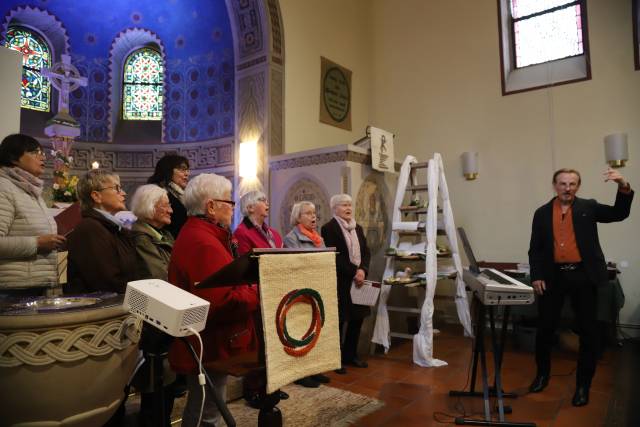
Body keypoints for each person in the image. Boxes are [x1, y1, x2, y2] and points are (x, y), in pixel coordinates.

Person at [528, 168, 633, 407]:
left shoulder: (589, 207)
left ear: (578, 186)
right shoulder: (542, 213)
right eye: (563, 183)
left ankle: (583, 386)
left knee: (588, 333)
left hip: (584, 277)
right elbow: (535, 248)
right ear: (555, 185)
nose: (568, 188)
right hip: (553, 278)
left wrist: (623, 185)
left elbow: (619, 213)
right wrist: (536, 275)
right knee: (545, 329)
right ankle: (542, 375)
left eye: (572, 184)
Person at [168, 173, 259, 427]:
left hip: (210, 339)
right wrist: (256, 293)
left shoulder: (202, 234)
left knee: (207, 405)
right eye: (229, 202)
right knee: (206, 412)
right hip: (210, 341)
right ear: (211, 206)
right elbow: (220, 302)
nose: (232, 208)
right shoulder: (204, 242)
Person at [129, 184, 176, 426]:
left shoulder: (163, 235)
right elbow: (160, 276)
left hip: (168, 314)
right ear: (150, 207)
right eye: (165, 204)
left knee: (166, 387)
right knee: (156, 388)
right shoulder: (141, 237)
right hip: (154, 319)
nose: (170, 209)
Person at [0, 134, 65, 296]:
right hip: (13, 289)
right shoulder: (4, 188)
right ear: (14, 158)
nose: (42, 157)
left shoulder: (30, 191)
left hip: (36, 284)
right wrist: (37, 243)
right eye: (35, 152)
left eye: (42, 152)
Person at [283, 201, 331, 387]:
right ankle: (301, 373)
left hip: (319, 287)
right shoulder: (291, 238)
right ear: (298, 217)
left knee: (316, 331)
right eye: (308, 213)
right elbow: (298, 264)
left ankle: (314, 369)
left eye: (314, 213)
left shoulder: (318, 238)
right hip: (303, 291)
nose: (313, 217)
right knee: (302, 332)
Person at [321, 194, 371, 374]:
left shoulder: (358, 228)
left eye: (350, 205)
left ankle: (351, 355)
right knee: (340, 321)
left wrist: (363, 270)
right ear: (334, 208)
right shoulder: (329, 228)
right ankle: (336, 359)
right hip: (341, 281)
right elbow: (335, 255)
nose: (348, 208)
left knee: (357, 319)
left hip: (358, 280)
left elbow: (366, 251)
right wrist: (353, 272)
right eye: (343, 205)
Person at [66, 169, 137, 294]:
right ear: (96, 196)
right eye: (117, 188)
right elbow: (107, 283)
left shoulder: (111, 226)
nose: (124, 193)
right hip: (98, 308)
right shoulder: (90, 229)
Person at [130, 184, 175, 281]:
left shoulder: (164, 234)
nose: (170, 211)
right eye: (165, 206)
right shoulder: (141, 239)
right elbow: (160, 278)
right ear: (149, 207)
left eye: (169, 205)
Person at [148, 154, 190, 239]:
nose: (187, 174)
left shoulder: (182, 194)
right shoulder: (157, 192)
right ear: (168, 170)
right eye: (182, 169)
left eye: (187, 170)